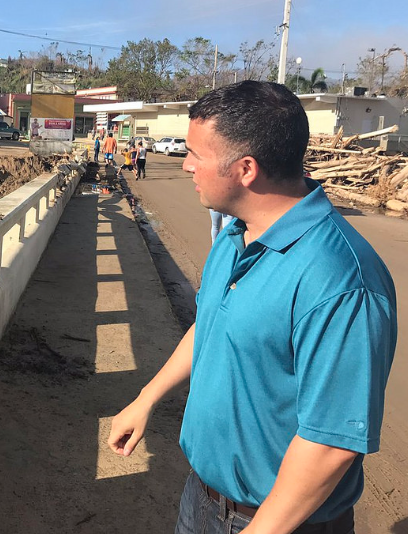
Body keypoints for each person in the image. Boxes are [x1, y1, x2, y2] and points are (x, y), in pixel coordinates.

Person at [108, 81, 397, 534]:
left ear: (245, 169)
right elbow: (210, 326)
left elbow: (331, 442)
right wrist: (145, 399)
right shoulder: (234, 236)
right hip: (202, 500)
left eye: (196, 154)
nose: (186, 166)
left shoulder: (340, 280)